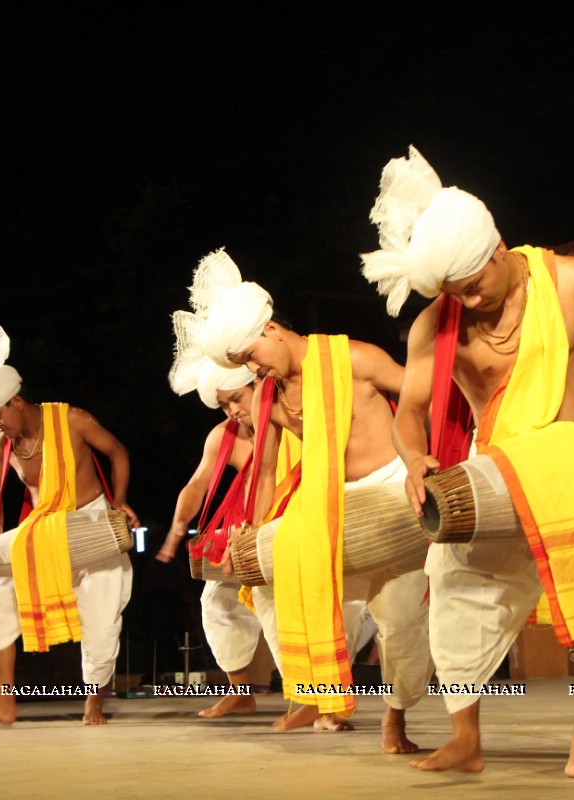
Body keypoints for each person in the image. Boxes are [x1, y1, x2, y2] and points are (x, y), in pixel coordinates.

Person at [362, 146, 574, 781]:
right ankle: (465, 740)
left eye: (473, 283)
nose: (468, 300)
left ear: (499, 248)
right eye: (453, 291)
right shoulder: (436, 324)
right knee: (457, 594)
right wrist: (416, 456)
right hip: (499, 472)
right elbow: (411, 409)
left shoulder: (571, 280)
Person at [189, 249, 435, 753]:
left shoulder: (354, 358)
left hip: (391, 489)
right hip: (329, 503)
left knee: (400, 616)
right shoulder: (267, 396)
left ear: (273, 329)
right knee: (267, 582)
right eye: (242, 365)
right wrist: (255, 531)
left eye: (252, 356)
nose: (253, 370)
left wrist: (419, 461)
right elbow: (262, 475)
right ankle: (321, 697)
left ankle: (396, 720)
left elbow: (418, 397)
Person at [0, 327, 138, 725]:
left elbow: (117, 451)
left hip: (90, 525)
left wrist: (119, 501)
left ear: (16, 401)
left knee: (101, 622)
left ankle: (94, 703)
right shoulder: (3, 444)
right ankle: (4, 699)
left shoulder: (71, 419)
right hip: (42, 535)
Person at [157, 352, 261, 717]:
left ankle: (320, 696)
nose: (231, 410)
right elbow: (197, 485)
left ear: (258, 385)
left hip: (291, 526)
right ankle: (240, 690)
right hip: (245, 534)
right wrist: (175, 528)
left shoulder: (290, 422)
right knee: (216, 602)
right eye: (223, 405)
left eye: (236, 398)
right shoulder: (225, 436)